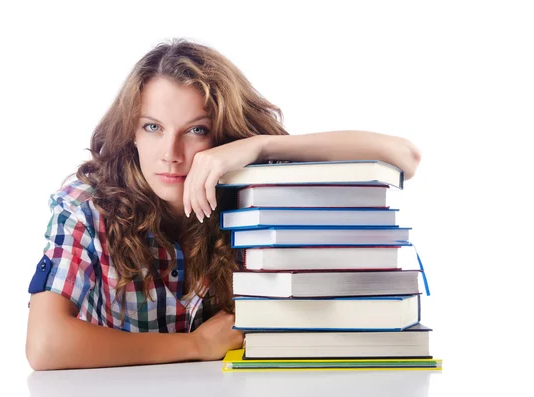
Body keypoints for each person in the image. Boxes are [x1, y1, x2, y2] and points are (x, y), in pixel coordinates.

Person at [25, 38, 421, 371]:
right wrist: (195, 346)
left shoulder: (255, 187)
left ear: (222, 135)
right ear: (132, 132)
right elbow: (45, 346)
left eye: (197, 130)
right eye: (153, 127)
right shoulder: (86, 207)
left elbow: (405, 157)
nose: (171, 154)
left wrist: (261, 145)